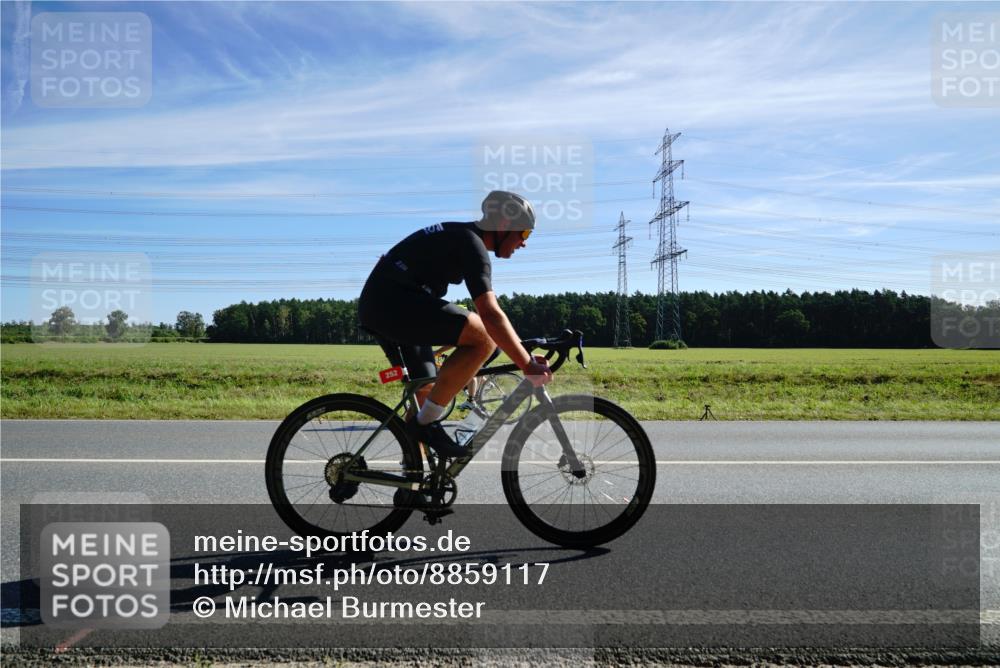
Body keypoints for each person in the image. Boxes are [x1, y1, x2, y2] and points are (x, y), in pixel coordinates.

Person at [358, 191, 553, 458]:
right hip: (392, 303)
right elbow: (490, 315)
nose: (524, 243)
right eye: (525, 234)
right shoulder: (470, 243)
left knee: (426, 393)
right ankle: (426, 426)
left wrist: (522, 352)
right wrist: (526, 364)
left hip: (392, 303)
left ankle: (412, 483)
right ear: (505, 225)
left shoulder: (463, 237)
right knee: (484, 338)